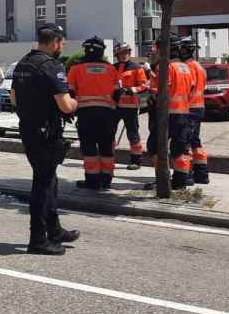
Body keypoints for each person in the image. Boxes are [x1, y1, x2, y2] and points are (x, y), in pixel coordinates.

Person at [10, 23, 80, 256]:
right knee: (42, 184)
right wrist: (76, 103)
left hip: (29, 130)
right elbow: (66, 105)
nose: (63, 46)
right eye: (62, 42)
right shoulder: (52, 66)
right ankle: (38, 240)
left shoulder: (23, 63)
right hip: (45, 134)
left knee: (50, 180)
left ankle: (55, 230)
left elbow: (13, 97)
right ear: (55, 42)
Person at [67, 37, 121, 190]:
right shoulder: (111, 69)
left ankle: (92, 181)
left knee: (89, 147)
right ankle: (106, 179)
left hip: (86, 114)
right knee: (106, 148)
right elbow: (117, 93)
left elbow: (70, 92)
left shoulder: (76, 69)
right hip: (107, 114)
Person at [146, 35, 196, 189]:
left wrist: (152, 94)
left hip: (166, 115)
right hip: (184, 113)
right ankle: (180, 182)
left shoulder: (165, 67)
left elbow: (163, 90)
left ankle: (162, 179)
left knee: (154, 146)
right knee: (180, 148)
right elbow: (192, 89)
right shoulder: (186, 67)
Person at [114, 42, 149, 169]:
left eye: (127, 52)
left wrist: (131, 90)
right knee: (110, 132)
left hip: (130, 107)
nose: (124, 55)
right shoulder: (113, 67)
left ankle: (136, 160)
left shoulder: (136, 68)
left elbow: (144, 85)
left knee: (132, 133)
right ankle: (108, 157)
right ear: (117, 54)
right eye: (122, 53)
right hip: (115, 106)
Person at [180, 36, 210, 184]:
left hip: (189, 108)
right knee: (195, 141)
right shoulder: (200, 67)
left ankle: (188, 175)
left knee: (185, 141)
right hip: (199, 107)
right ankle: (202, 174)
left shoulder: (186, 67)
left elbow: (187, 88)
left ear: (185, 50)